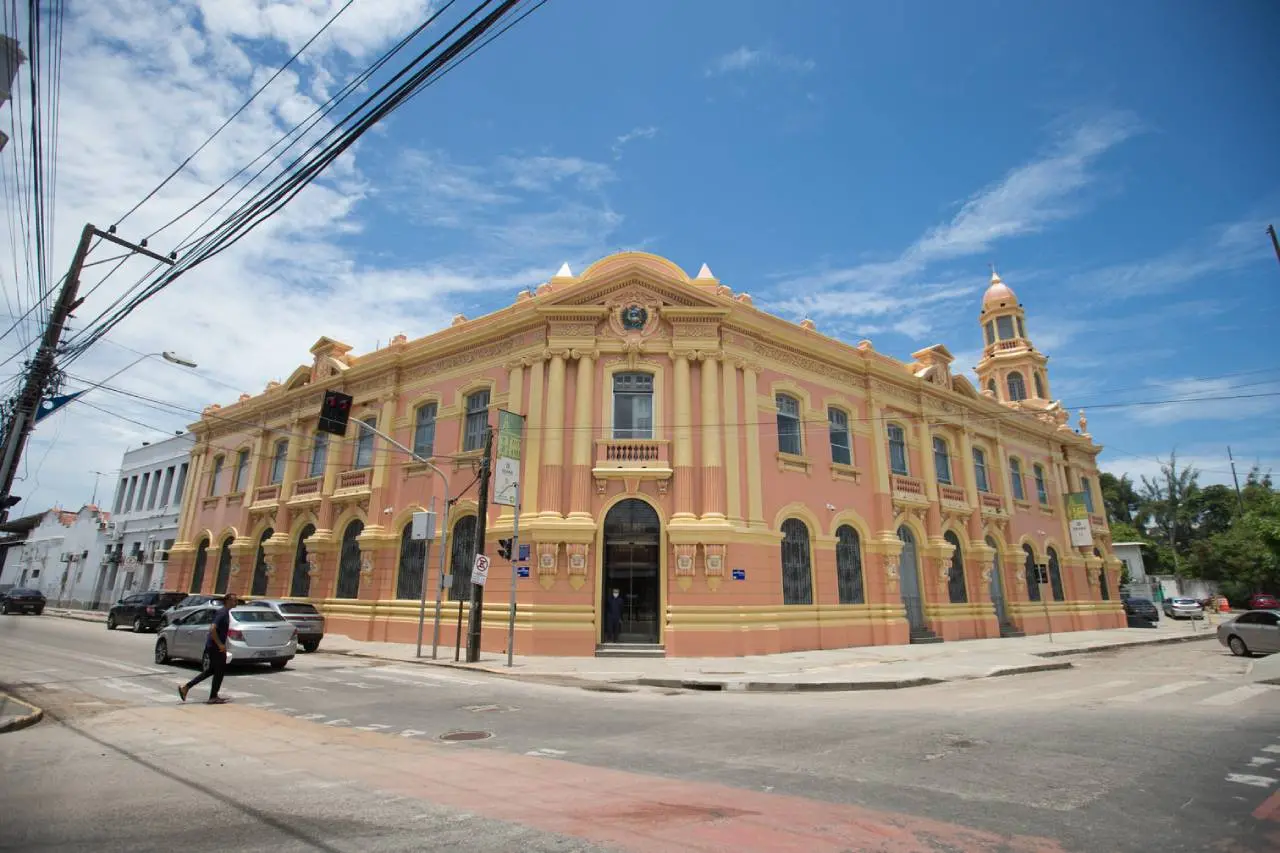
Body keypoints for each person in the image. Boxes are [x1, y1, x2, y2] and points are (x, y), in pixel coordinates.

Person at [178, 592, 237, 705]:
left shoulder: (225, 612)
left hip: (214, 646)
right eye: (234, 600)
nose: (236, 602)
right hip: (215, 647)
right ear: (228, 601)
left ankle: (186, 688)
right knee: (219, 671)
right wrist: (220, 644)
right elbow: (212, 629)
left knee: (212, 670)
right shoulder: (222, 613)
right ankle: (213, 696)